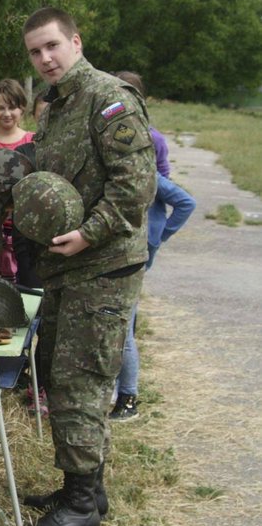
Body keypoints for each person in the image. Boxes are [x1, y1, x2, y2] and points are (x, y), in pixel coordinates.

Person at [20, 7, 156, 526]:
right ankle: (85, 487)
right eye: (35, 51)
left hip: (102, 264)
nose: (45, 58)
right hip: (66, 269)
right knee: (59, 371)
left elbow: (135, 187)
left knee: (81, 381)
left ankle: (80, 509)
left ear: (75, 41)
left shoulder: (109, 98)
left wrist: (88, 234)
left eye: (52, 46)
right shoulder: (52, 108)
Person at [111, 174, 195, 421]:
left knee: (124, 329)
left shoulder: (148, 175)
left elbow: (186, 203)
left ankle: (128, 399)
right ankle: (118, 391)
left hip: (136, 254)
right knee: (123, 324)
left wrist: (159, 236)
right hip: (121, 253)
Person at [0, 78, 35, 150]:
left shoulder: (33, 141)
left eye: (12, 108)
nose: (7, 114)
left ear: (21, 109)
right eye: (0, 108)